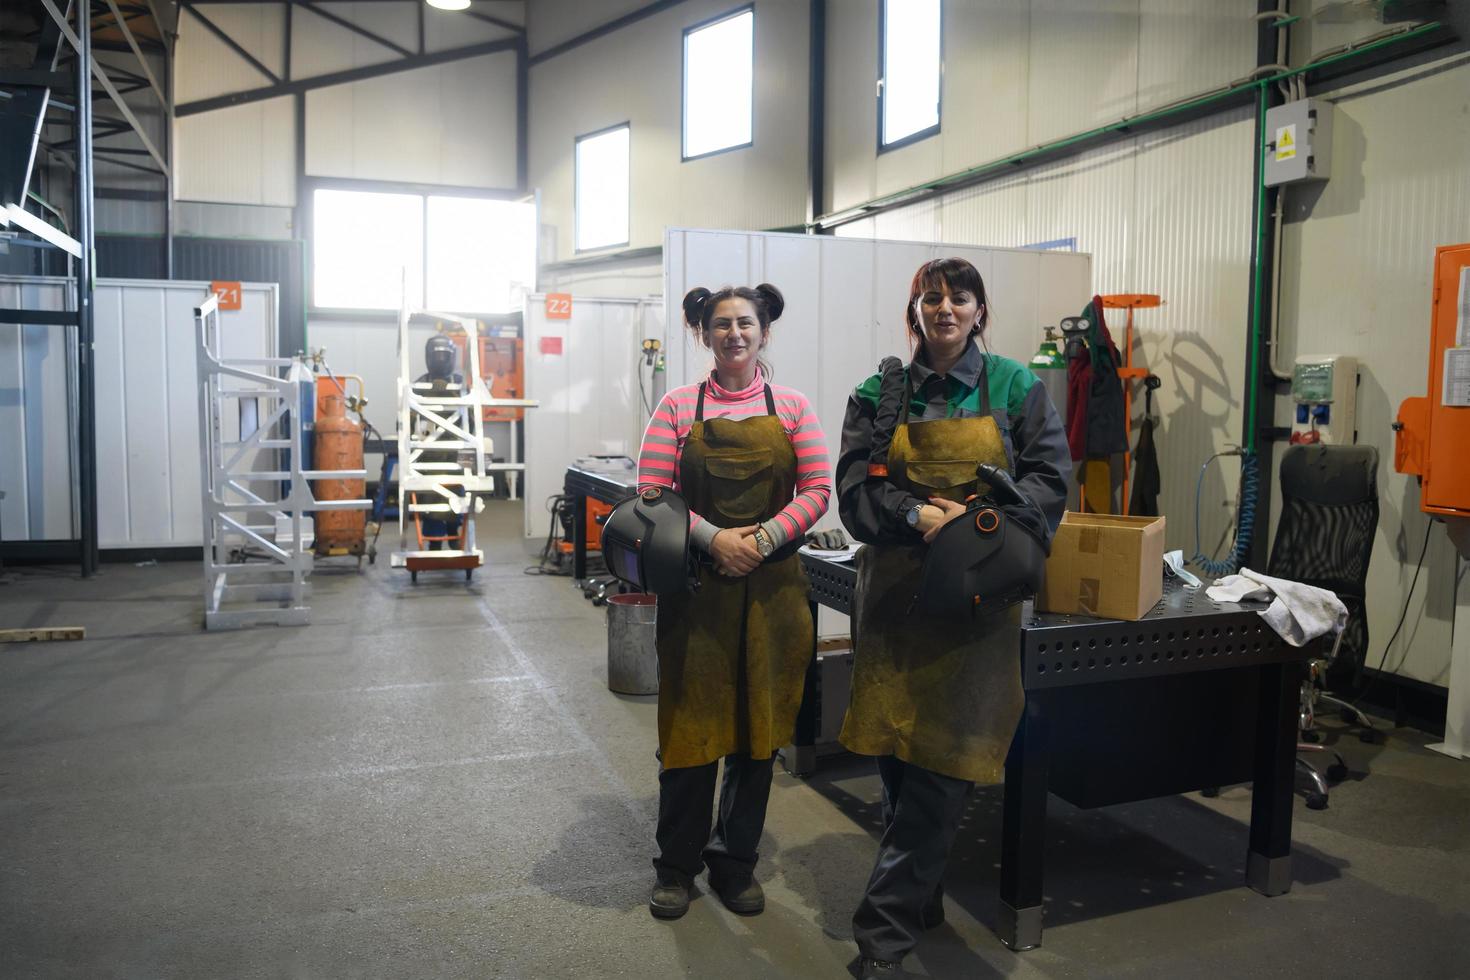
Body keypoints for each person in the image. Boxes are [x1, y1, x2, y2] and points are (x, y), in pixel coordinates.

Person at [835, 258, 1071, 978]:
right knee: (898, 756)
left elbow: (1049, 481)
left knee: (943, 768)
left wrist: (972, 522)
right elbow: (854, 491)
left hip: (974, 607)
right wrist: (912, 512)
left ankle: (881, 937)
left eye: (958, 297)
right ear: (916, 310)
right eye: (931, 297)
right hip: (894, 605)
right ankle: (923, 896)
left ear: (979, 310)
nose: (945, 308)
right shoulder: (879, 392)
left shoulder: (1015, 388)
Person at [636, 283, 832, 920]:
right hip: (698, 591)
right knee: (690, 731)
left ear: (764, 331)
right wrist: (715, 538)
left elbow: (819, 487)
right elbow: (650, 492)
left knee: (757, 735)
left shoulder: (795, 407)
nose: (734, 335)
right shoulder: (675, 407)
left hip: (774, 593)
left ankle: (735, 863)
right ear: (704, 334)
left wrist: (765, 538)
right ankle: (676, 867)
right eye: (721, 325)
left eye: (746, 323)